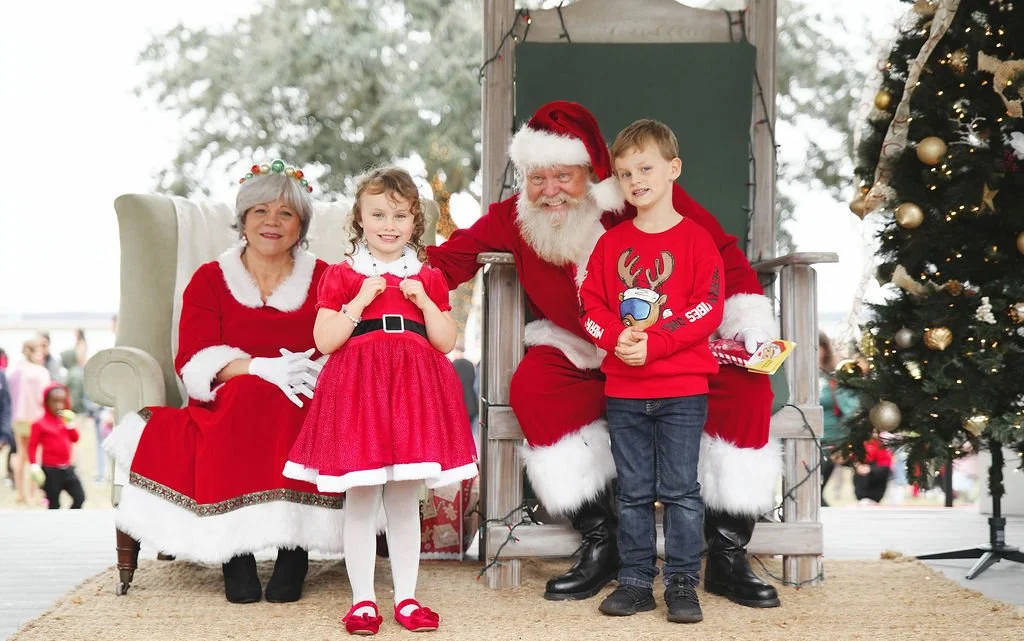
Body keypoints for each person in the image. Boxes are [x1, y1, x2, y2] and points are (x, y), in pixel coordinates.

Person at [426, 101, 781, 607]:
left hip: (666, 352)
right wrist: (384, 279)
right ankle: (604, 541)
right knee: (533, 386)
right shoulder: (512, 218)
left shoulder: (635, 198)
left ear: (591, 173)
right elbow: (449, 260)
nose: (549, 191)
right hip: (578, 349)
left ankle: (727, 552)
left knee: (747, 385)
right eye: (537, 177)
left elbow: (720, 254)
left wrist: (746, 322)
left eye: (564, 176)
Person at [102, 160, 344, 604]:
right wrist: (259, 368)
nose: (272, 222)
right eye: (260, 212)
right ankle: (238, 554)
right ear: (243, 221)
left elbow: (342, 340)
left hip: (307, 395)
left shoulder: (326, 277)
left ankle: (295, 550)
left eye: (286, 213)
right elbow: (194, 357)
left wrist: (316, 372)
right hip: (229, 399)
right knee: (251, 393)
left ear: (301, 225)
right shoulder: (211, 279)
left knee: (295, 400)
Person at [283, 167, 477, 635]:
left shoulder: (427, 278)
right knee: (363, 497)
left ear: (415, 222)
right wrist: (358, 302)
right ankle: (363, 601)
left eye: (400, 215)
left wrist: (428, 304)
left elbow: (446, 341)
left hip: (411, 393)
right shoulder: (343, 275)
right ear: (360, 219)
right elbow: (325, 340)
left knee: (406, 499)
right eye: (378, 214)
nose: (389, 224)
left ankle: (407, 599)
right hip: (359, 393)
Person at [578, 120, 723, 623]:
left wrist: (656, 342)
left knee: (681, 491)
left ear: (673, 169)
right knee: (634, 491)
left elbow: (708, 307)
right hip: (624, 390)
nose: (635, 179)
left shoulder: (698, 241)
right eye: (624, 173)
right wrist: (616, 337)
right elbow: (590, 306)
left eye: (645, 168)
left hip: (683, 390)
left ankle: (683, 584)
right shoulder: (610, 244)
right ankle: (637, 580)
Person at [818, 332, 861, 506]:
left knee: (814, 494)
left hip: (829, 443)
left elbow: (851, 409)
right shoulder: (797, 376)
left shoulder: (834, 377)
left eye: (816, 345)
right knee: (811, 494)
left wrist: (844, 445)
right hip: (798, 440)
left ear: (824, 348)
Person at [27, 383, 86, 509]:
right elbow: (32, 446)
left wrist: (70, 424)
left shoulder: (65, 420)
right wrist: (34, 466)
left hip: (67, 468)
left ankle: (69, 521)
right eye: (54, 401)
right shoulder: (39, 424)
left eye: (62, 401)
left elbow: (75, 439)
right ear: (46, 402)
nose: (58, 405)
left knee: (79, 497)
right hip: (50, 471)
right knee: (54, 504)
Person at [9, 339, 52, 505]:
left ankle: (21, 493)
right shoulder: (40, 372)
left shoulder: (15, 371)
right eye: (38, 352)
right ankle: (33, 493)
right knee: (35, 457)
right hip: (36, 419)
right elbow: (46, 397)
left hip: (18, 418)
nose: (41, 356)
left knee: (20, 455)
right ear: (32, 352)